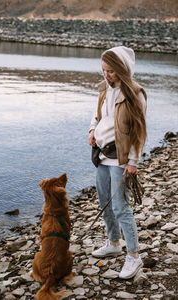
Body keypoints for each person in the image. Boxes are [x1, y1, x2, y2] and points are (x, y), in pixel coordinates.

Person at [88, 46, 147, 279]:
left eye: (111, 71)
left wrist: (133, 162)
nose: (106, 75)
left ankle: (134, 256)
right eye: (104, 70)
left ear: (123, 70)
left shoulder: (136, 94)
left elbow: (139, 133)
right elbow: (98, 115)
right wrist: (92, 129)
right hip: (102, 154)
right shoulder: (104, 89)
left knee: (121, 207)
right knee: (104, 201)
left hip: (121, 159)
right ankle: (114, 242)